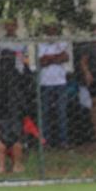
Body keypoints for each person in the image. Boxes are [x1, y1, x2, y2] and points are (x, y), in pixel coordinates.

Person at [0, 50, 32, 173]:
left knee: (2, 137)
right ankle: (17, 165)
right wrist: (26, 64)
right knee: (16, 138)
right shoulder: (18, 76)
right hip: (16, 111)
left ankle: (1, 166)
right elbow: (29, 83)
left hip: (0, 111)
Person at [38, 20, 71, 148]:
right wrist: (56, 58)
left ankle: (63, 141)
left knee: (61, 112)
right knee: (45, 113)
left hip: (60, 82)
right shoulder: (41, 44)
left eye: (54, 29)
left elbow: (65, 57)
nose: (52, 31)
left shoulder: (62, 43)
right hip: (45, 82)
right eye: (49, 29)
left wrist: (50, 58)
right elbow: (41, 61)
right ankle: (45, 141)